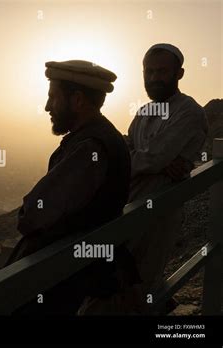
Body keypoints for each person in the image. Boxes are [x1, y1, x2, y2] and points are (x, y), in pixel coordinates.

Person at [79, 43, 209, 314]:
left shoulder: (189, 112)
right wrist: (154, 161)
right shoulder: (144, 112)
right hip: (128, 205)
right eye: (148, 71)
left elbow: (149, 158)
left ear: (179, 73)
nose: (153, 78)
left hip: (159, 212)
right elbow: (134, 153)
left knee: (141, 283)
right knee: (113, 281)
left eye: (161, 71)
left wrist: (152, 162)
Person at [2, 60, 137, 315]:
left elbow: (32, 217)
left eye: (53, 97)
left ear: (77, 100)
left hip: (65, 277)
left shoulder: (89, 148)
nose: (47, 107)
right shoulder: (103, 136)